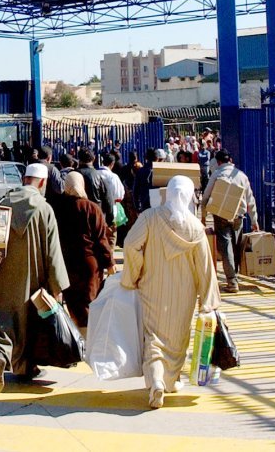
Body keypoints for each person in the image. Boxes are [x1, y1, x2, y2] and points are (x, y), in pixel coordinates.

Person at [121, 175, 221, 409]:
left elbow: (130, 245)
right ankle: (171, 380)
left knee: (153, 340)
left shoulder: (149, 218)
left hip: (152, 288)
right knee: (178, 341)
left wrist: (132, 276)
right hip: (183, 295)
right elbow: (205, 267)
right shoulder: (195, 228)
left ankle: (156, 381)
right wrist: (208, 303)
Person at [0, 163, 69, 393]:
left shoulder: (1, 204)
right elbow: (53, 252)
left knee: (1, 320)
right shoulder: (44, 208)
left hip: (2, 277)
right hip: (33, 278)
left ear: (24, 179)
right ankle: (24, 368)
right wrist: (57, 287)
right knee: (28, 324)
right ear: (42, 182)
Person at [53, 171, 111, 332]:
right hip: (89, 265)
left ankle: (78, 335)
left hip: (66, 264)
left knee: (73, 304)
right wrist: (109, 262)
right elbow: (101, 240)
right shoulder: (92, 208)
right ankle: (88, 337)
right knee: (89, 303)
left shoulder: (58, 208)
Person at [200, 150, 259, 294]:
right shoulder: (241, 175)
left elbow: (206, 196)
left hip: (220, 216)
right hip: (238, 216)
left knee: (226, 248)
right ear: (230, 160)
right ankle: (235, 274)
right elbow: (250, 199)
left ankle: (232, 281)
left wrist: (203, 215)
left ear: (218, 162)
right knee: (236, 246)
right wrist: (254, 220)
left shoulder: (216, 175)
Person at [76, 150, 115, 227]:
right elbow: (108, 199)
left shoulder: (73, 174)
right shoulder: (99, 176)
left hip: (77, 215)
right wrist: (110, 220)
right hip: (96, 215)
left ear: (79, 159)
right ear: (93, 159)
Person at [98, 153, 124, 269]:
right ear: (112, 164)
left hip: (96, 209)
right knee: (111, 237)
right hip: (111, 210)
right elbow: (120, 195)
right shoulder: (113, 177)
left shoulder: (95, 174)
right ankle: (110, 262)